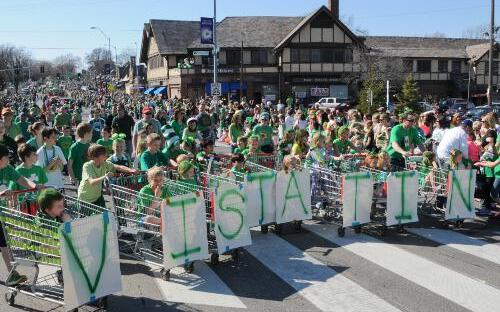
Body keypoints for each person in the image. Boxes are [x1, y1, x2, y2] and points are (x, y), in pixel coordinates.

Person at [0, 144, 43, 287]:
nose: (9, 159)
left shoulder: (7, 169)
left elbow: (22, 179)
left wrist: (34, 186)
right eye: (7, 157)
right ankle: (12, 273)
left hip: (1, 213)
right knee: (3, 242)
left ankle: (12, 274)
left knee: (3, 242)